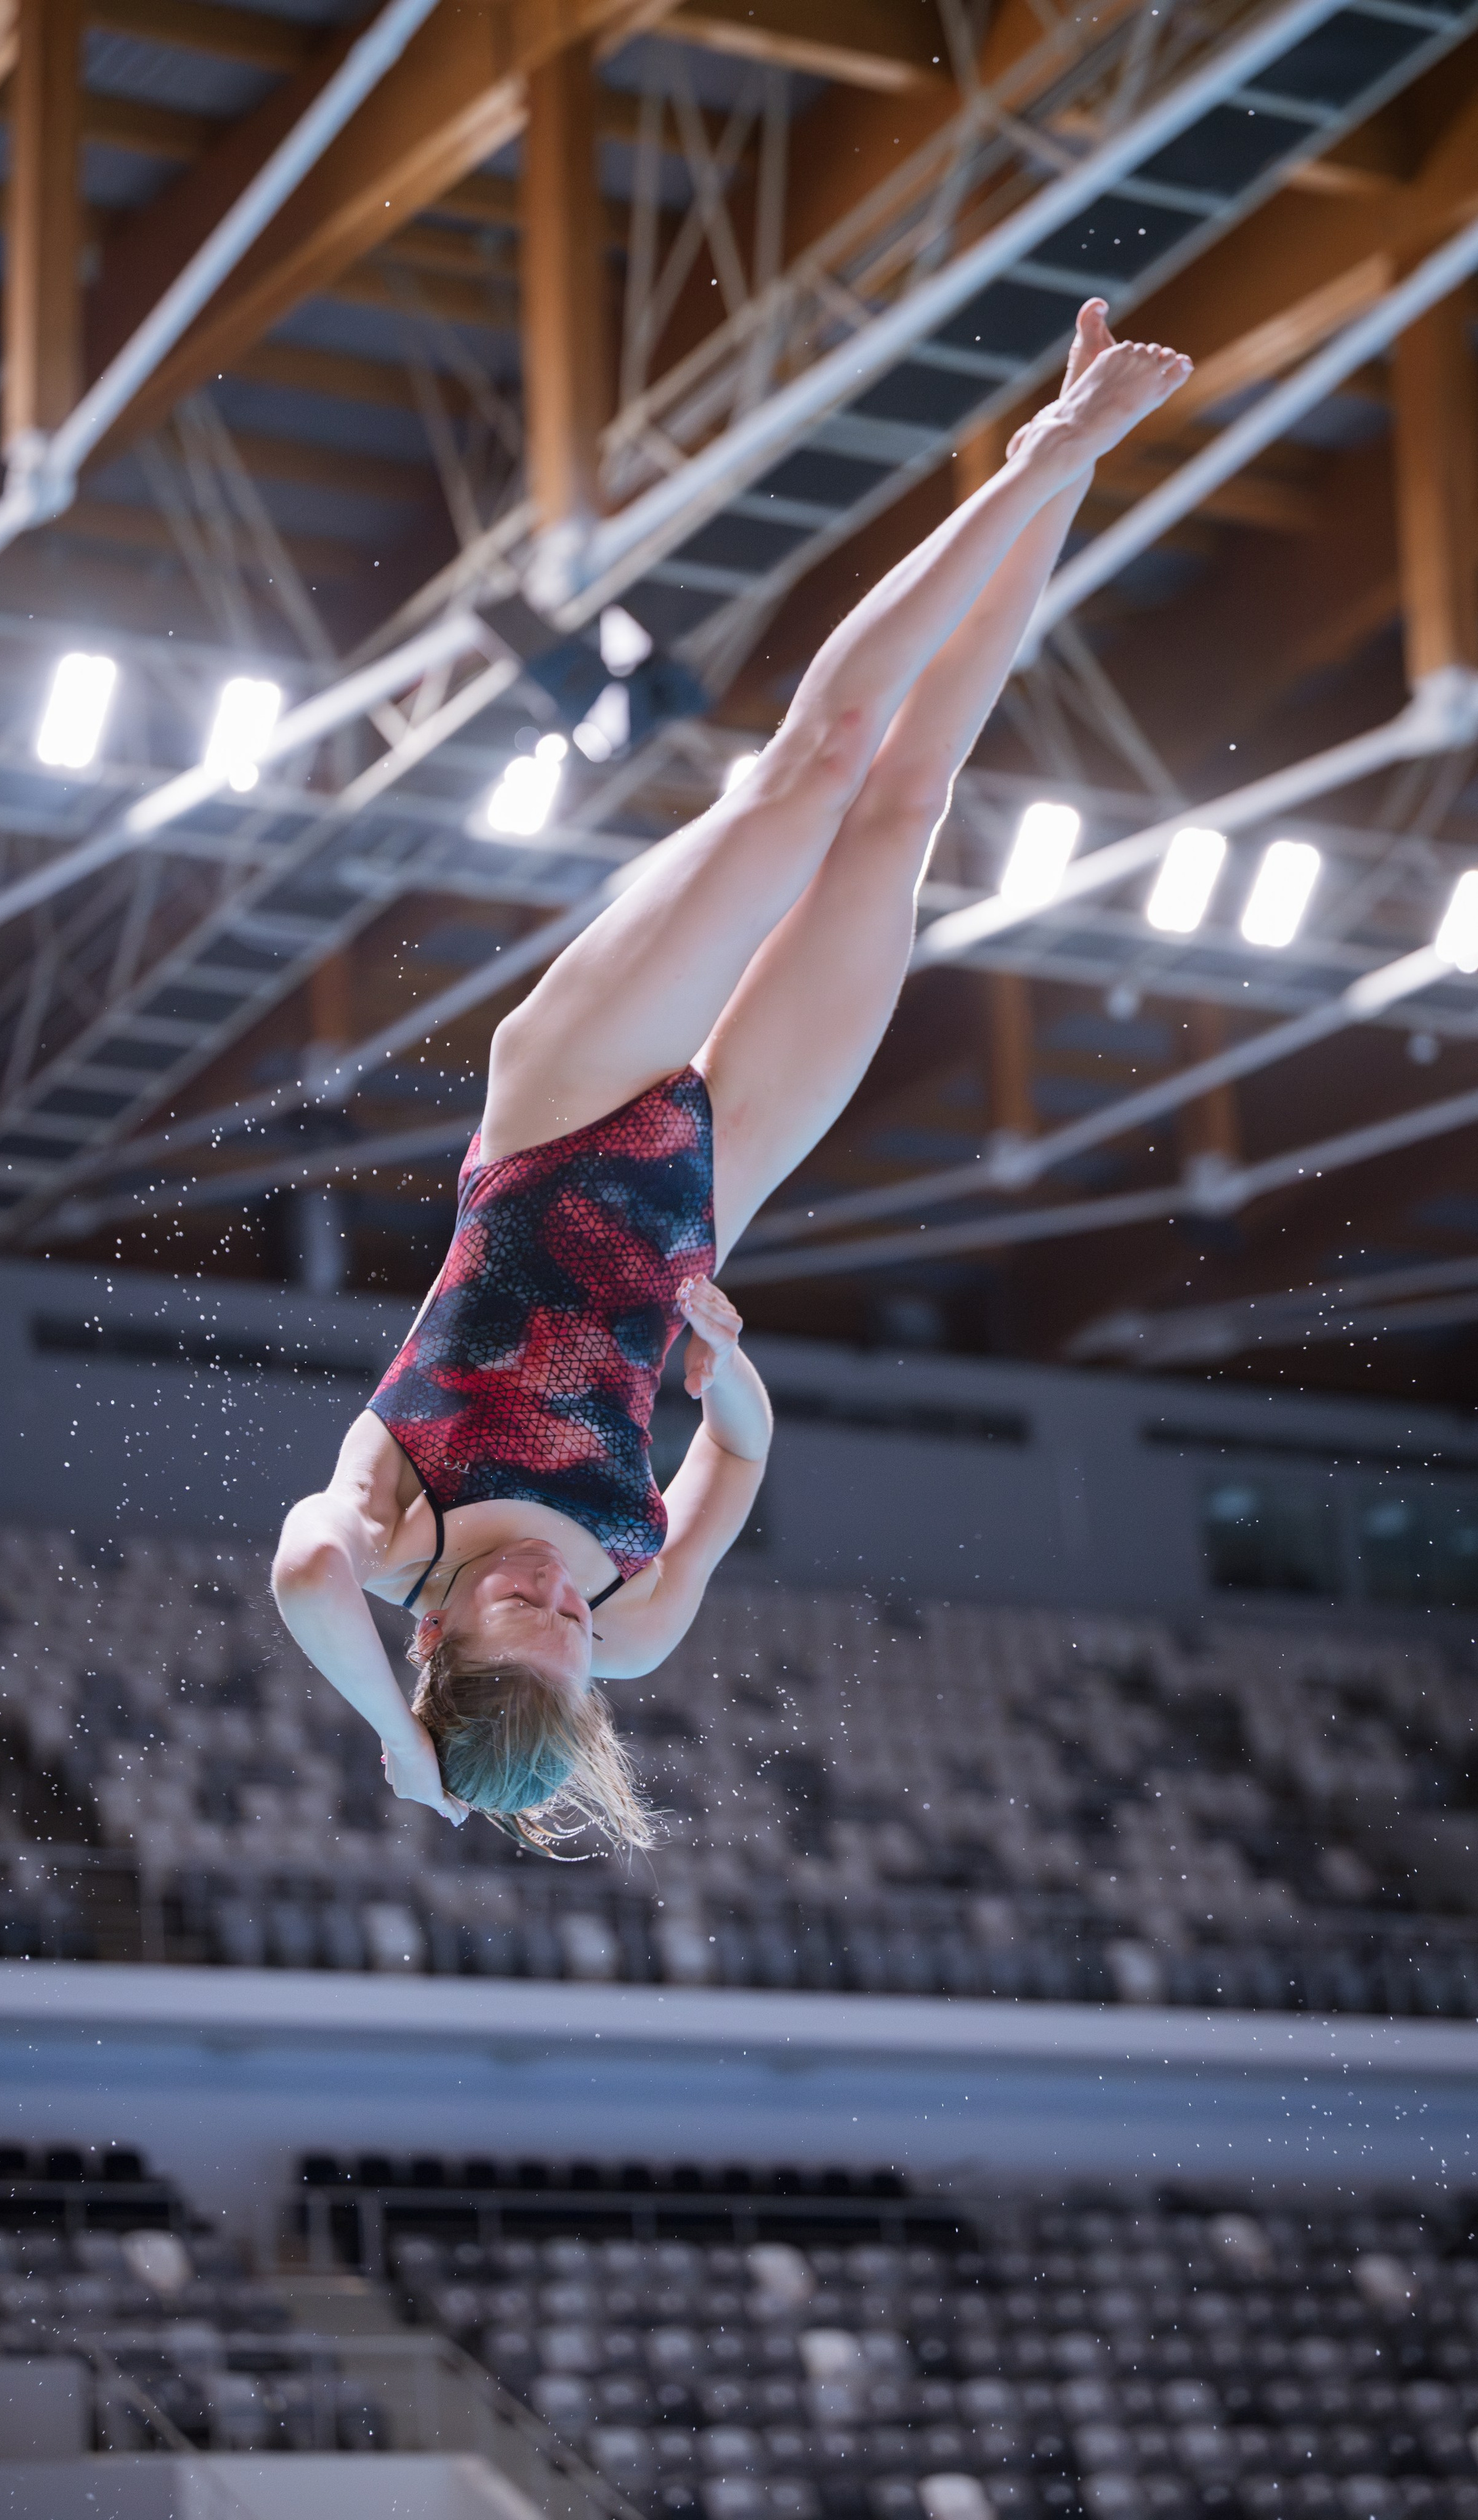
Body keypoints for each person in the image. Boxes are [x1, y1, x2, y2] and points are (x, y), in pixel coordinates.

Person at [272, 301, 1191, 1850]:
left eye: (520, 1605)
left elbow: (295, 1578)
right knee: (905, 812)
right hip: (708, 1199)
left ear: (431, 1641)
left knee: (809, 770)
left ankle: (1032, 450)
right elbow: (741, 1460)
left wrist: (399, 1751)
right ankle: (1068, 475)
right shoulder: (632, 1623)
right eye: (569, 1624)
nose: (558, 1593)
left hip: (557, 1115)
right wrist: (730, 1379)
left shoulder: (382, 1538)